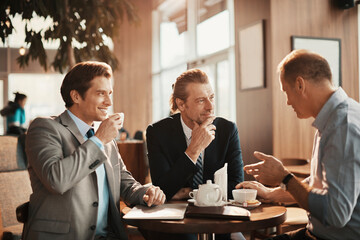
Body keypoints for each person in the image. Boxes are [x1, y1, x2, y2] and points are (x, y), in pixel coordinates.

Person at [23, 61, 166, 240]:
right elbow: (56, 180)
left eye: (110, 94)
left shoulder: (104, 137)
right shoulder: (44, 128)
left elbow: (125, 183)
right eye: (100, 94)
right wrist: (98, 140)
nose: (109, 102)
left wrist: (145, 192)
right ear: (75, 96)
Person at [237, 49, 360, 240]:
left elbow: (336, 214)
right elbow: (316, 186)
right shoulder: (332, 119)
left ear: (300, 84)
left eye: (286, 91)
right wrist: (271, 194)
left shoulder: (342, 126)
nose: (287, 102)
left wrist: (284, 177)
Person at [145, 69, 244, 240]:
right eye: (201, 100)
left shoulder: (227, 130)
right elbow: (163, 189)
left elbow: (236, 185)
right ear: (181, 105)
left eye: (211, 97)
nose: (210, 106)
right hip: (176, 222)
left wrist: (189, 192)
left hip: (219, 219)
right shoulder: (157, 132)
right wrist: (193, 150)